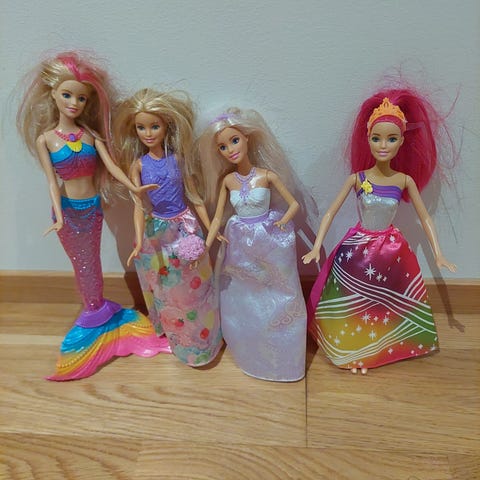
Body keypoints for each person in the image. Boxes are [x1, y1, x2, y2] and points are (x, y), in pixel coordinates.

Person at [16, 51, 170, 381]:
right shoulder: (46, 140)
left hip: (93, 209)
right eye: (67, 95)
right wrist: (59, 216)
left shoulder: (90, 136)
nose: (74, 103)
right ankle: (94, 314)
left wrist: (134, 187)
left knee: (93, 263)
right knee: (82, 265)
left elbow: (112, 167)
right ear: (53, 94)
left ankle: (99, 313)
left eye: (81, 98)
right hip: (68, 213)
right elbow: (51, 182)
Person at [302, 89, 457, 375]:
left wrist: (438, 253)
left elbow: (424, 217)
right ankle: (351, 350)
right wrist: (315, 245)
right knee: (354, 300)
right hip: (358, 250)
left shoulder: (404, 180)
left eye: (391, 139)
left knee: (384, 302)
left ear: (402, 141)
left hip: (389, 250)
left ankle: (378, 348)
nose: (383, 145)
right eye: (376, 138)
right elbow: (330, 212)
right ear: (368, 138)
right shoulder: (357, 179)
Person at [113, 88, 222, 366]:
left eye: (154, 126)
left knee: (195, 285)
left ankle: (203, 338)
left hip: (185, 227)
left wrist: (211, 226)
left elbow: (194, 196)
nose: (148, 133)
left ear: (166, 127)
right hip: (157, 233)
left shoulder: (178, 160)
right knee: (167, 288)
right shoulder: (138, 165)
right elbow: (138, 206)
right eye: (141, 127)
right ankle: (179, 337)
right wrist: (139, 240)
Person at [196, 108, 307, 381]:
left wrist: (283, 222)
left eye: (234, 141)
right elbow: (217, 217)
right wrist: (207, 244)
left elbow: (293, 204)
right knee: (244, 297)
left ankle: (284, 355)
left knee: (277, 294)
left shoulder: (266, 175)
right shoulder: (228, 181)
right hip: (239, 241)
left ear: (246, 138)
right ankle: (250, 347)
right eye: (223, 146)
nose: (230, 150)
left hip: (267, 240)